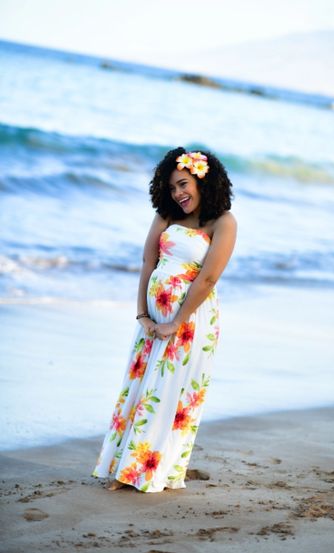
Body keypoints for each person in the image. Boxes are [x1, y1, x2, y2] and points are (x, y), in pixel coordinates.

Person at [91, 146, 237, 493]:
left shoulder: (223, 222)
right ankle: (125, 465)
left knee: (169, 391)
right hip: (153, 322)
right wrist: (142, 312)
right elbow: (147, 263)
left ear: (203, 181)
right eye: (172, 187)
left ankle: (141, 471)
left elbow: (209, 278)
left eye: (184, 184)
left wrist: (177, 321)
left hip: (190, 322)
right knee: (141, 387)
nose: (178, 194)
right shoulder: (166, 215)